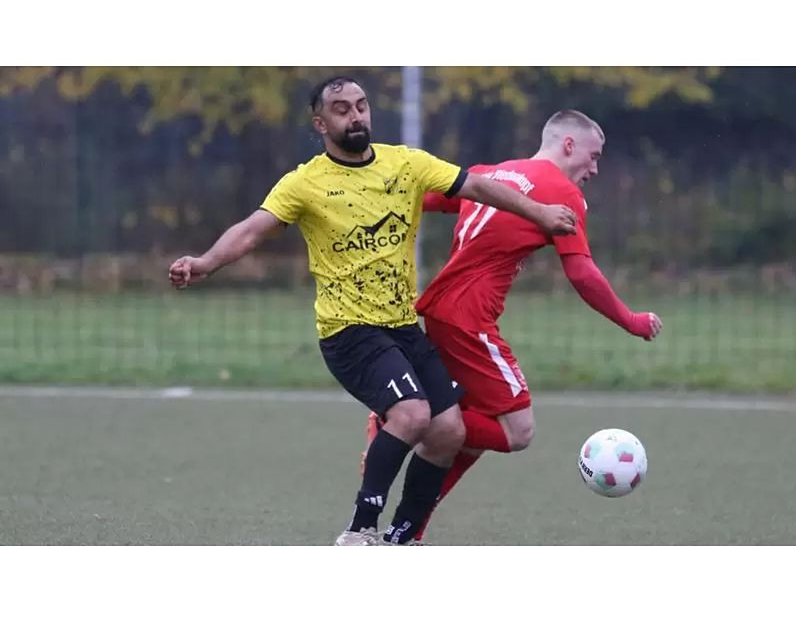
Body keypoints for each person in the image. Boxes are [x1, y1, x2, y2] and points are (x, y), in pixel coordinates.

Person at [167, 77, 578, 546]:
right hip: (349, 332)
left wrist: (539, 213)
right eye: (342, 109)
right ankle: (358, 530)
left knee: (449, 430)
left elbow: (478, 186)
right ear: (321, 124)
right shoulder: (305, 183)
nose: (356, 115)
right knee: (413, 414)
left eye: (361, 105)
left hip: (401, 326)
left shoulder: (406, 164)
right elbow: (251, 230)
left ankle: (402, 538)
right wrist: (204, 263)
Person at [361, 109, 662, 543]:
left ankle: (405, 534)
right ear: (568, 145)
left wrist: (365, 197)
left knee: (471, 432)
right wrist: (632, 321)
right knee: (516, 431)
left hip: (443, 312)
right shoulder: (562, 192)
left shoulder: (490, 174)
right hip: (469, 321)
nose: (595, 169)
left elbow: (421, 199)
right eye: (594, 156)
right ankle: (400, 421)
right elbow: (583, 274)